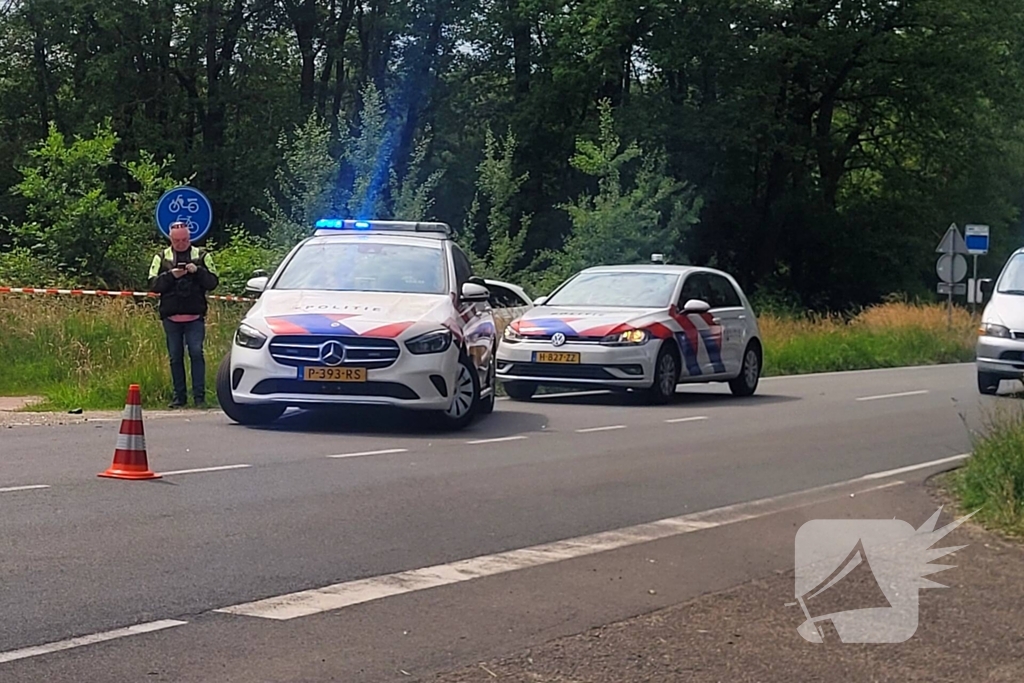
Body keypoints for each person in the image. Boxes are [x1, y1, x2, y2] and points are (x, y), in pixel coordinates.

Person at [148, 222, 220, 408]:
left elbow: (213, 282)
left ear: (190, 238)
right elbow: (153, 285)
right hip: (171, 318)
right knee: (175, 357)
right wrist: (172, 275)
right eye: (177, 240)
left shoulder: (202, 256)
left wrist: (197, 272)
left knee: (196, 353)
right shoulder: (161, 257)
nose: (181, 243)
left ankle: (199, 398)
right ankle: (179, 398)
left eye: (184, 240)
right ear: (170, 239)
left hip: (195, 317)